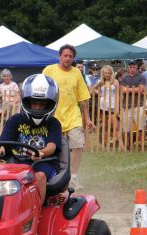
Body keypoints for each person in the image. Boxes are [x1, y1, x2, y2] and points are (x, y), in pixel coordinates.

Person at [0, 74, 62, 202]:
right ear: (26, 102)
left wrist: (41, 153)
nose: (37, 107)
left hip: (44, 163)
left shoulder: (53, 123)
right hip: (18, 164)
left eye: (41, 104)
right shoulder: (14, 120)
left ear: (49, 104)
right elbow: (4, 143)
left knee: (39, 176)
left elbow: (52, 146)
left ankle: (35, 214)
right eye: (33, 103)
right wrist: (1, 151)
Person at [43, 44, 93, 190]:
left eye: (70, 56)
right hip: (54, 116)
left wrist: (88, 118)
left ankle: (75, 177)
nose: (67, 58)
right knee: (57, 148)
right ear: (60, 56)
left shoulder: (77, 73)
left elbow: (83, 98)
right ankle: (59, 175)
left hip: (73, 116)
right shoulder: (49, 70)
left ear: (73, 58)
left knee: (78, 145)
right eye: (65, 55)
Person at [93, 65, 124, 150]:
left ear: (111, 73)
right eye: (105, 73)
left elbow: (118, 95)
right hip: (103, 107)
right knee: (105, 126)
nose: (107, 74)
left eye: (108, 73)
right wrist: (100, 94)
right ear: (103, 73)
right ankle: (105, 144)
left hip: (113, 106)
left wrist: (117, 108)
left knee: (116, 126)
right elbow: (93, 88)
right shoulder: (100, 81)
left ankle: (122, 146)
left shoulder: (115, 81)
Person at [119, 60, 146, 150]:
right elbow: (123, 90)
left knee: (141, 128)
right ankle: (128, 146)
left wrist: (128, 89)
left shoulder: (141, 77)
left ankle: (140, 146)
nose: (132, 69)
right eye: (130, 67)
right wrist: (135, 89)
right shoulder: (124, 78)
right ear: (128, 68)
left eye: (133, 67)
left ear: (136, 68)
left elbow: (141, 89)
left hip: (139, 105)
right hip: (126, 106)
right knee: (127, 129)